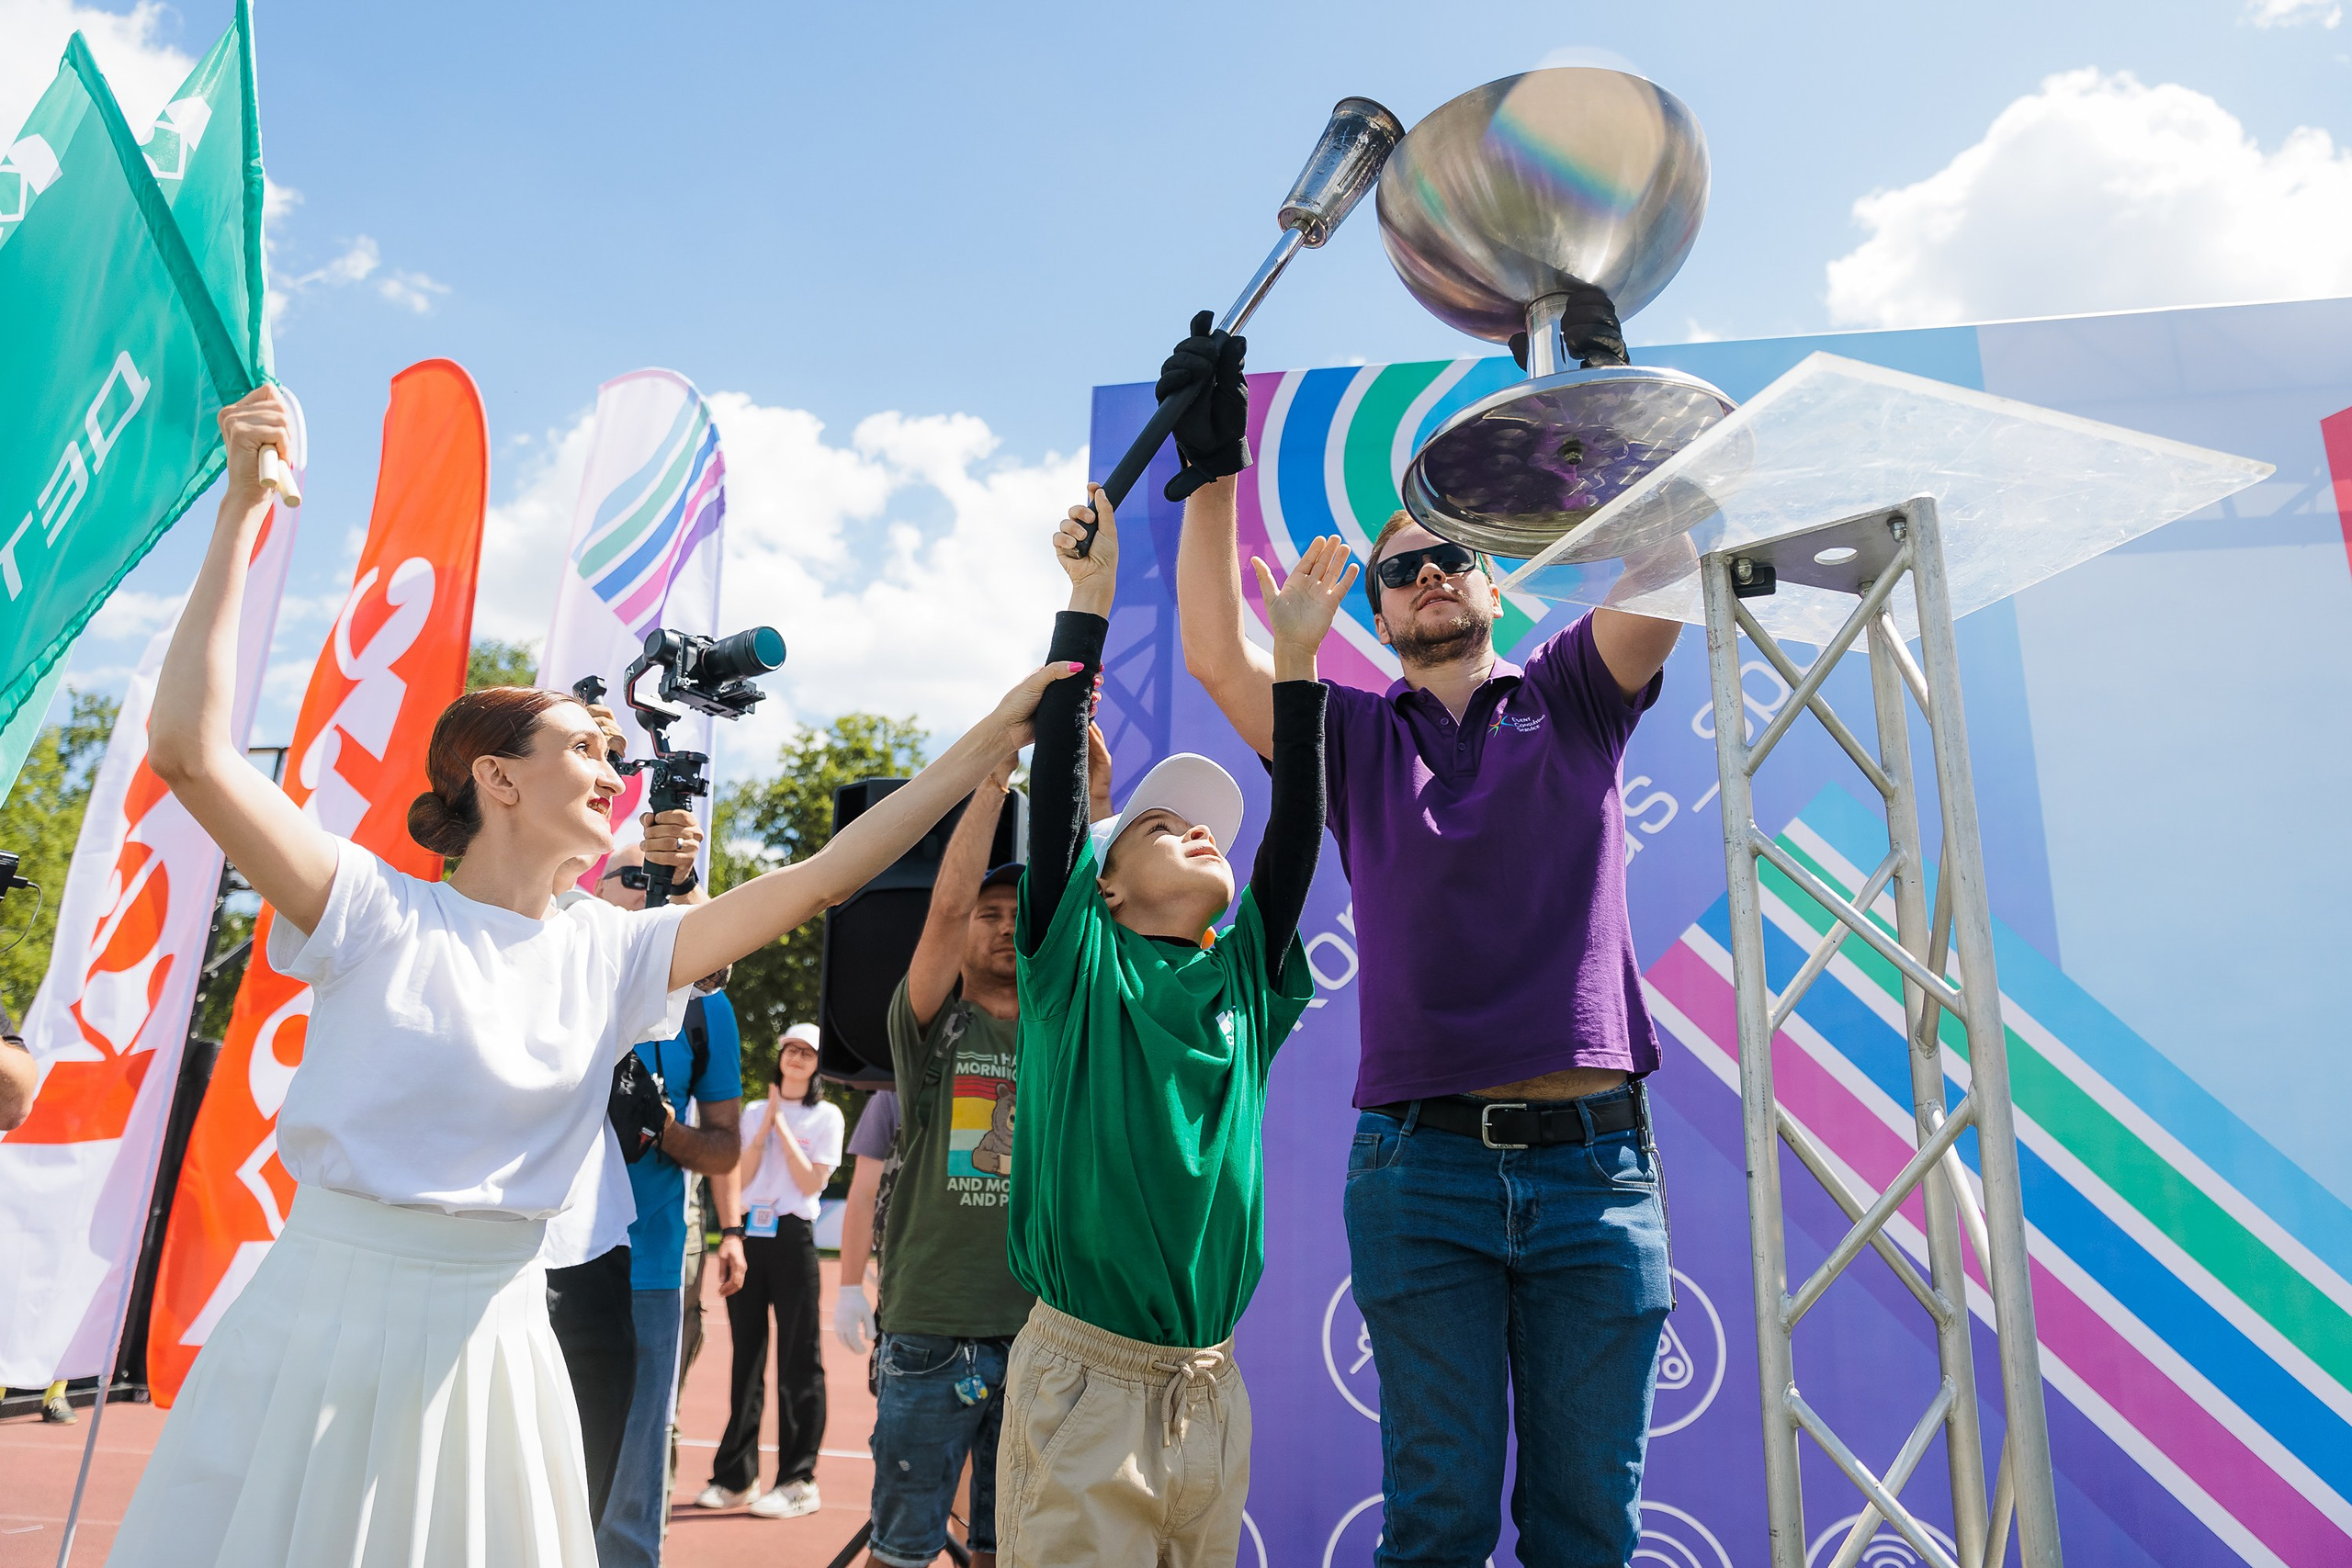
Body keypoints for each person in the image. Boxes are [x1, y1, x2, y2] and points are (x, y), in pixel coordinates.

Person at [111, 383, 1083, 1567]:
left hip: (498, 1339)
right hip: (327, 1320)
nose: (616, 768)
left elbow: (829, 873)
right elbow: (191, 755)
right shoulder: (371, 907)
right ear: (495, 780)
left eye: (617, 752)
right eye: (585, 745)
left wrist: (992, 736)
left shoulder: (618, 954)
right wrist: (243, 514)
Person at [1169, 304, 1681, 1567]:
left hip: (1597, 1174)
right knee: (1436, 1524)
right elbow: (1220, 651)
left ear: (1495, 575)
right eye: (1400, 567)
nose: (1428, 572)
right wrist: (1209, 468)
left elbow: (1665, 565)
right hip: (1422, 1176)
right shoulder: (1347, 736)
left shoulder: (1570, 694)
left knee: (1587, 1531)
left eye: (1451, 552)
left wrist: (1611, 404)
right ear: (1377, 615)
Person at [996, 485, 1348, 1567]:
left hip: (1210, 1381)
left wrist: (1295, 666)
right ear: (1103, 888)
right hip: (1083, 1382)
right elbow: (1053, 803)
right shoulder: (1078, 969)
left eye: (1207, 827)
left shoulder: (1241, 979)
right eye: (1160, 823)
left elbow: (1298, 829)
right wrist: (1087, 607)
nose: (1201, 829)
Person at [842, 721, 1112, 1568]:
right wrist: (994, 778)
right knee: (904, 1548)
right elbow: (945, 905)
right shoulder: (932, 1029)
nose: (1000, 926)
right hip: (930, 1333)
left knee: (1012, 1550)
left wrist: (1099, 807)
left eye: (1015, 915)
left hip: (1042, 1334)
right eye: (987, 915)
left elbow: (1103, 924)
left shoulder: (1061, 1029)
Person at [590, 841, 750, 1567]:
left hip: (649, 1262)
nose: (649, 892)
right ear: (595, 889)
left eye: (666, 884)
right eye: (635, 877)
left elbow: (724, 1148)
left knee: (631, 1474)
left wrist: (661, 1128)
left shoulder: (707, 1009)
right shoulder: (556, 966)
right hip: (528, 1257)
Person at [701, 1022, 842, 1518]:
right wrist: (763, 1129)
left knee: (799, 1356)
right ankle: (736, 1476)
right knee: (748, 1357)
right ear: (779, 1055)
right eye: (790, 1049)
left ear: (818, 1064)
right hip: (750, 1237)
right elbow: (742, 1174)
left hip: (794, 1236)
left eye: (807, 1052)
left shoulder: (828, 1116)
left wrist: (783, 1125)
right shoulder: (755, 1111)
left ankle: (798, 1478)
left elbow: (809, 1179)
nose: (797, 1057)